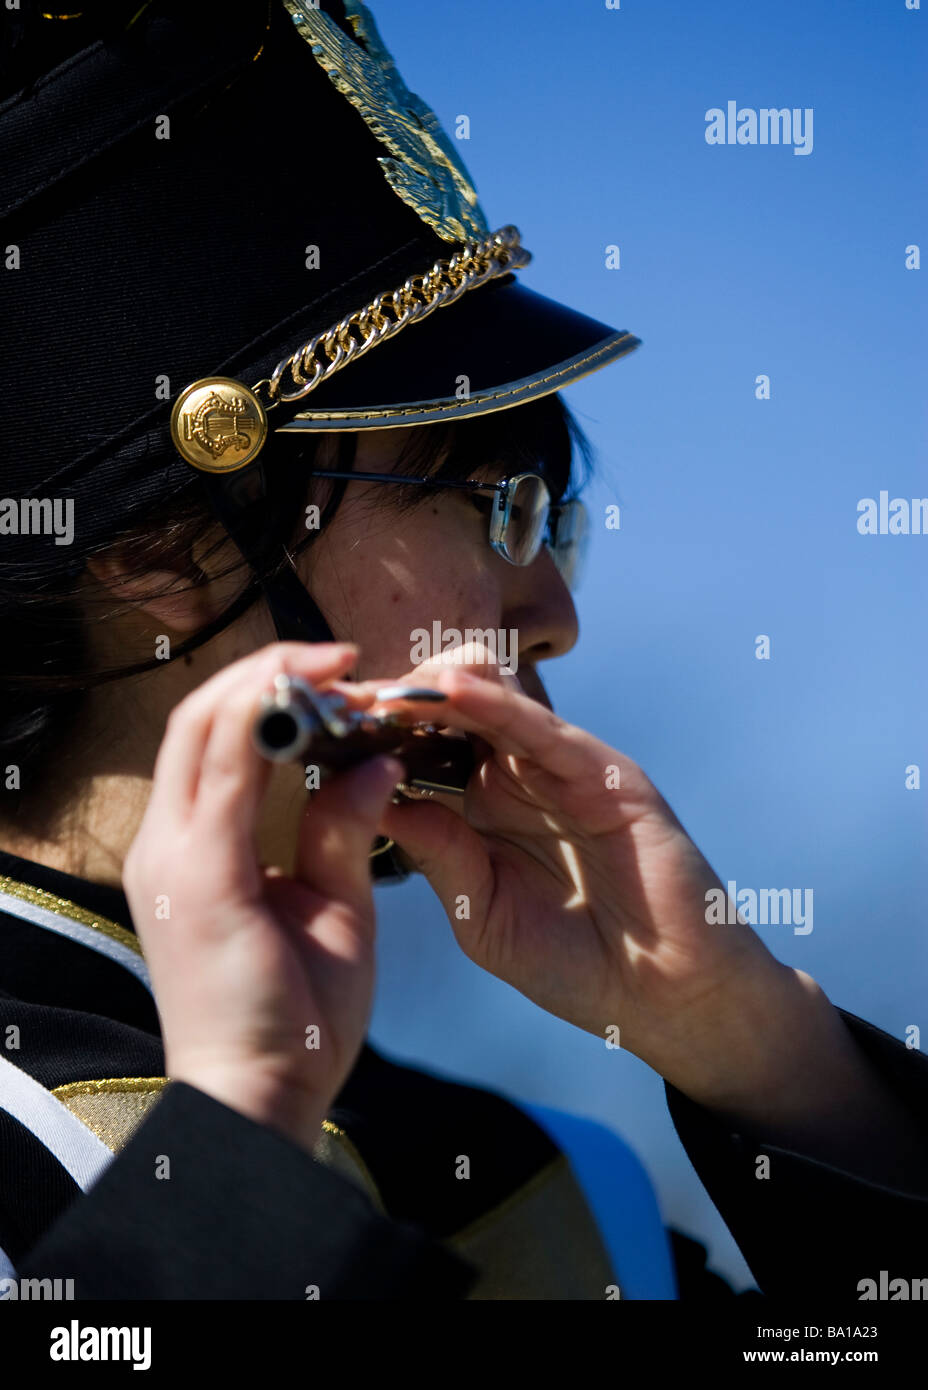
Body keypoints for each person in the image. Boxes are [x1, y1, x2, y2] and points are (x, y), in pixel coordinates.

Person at [1, 0, 926, 1303]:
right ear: (157, 541)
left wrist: (779, 1065)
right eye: (491, 497)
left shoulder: (549, 1185)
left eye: (553, 518)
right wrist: (235, 1158)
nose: (552, 606)